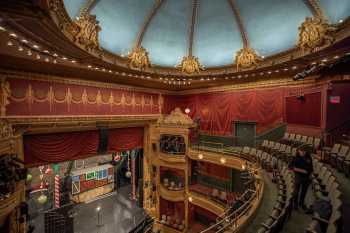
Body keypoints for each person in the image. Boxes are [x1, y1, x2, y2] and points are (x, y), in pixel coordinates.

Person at [289, 146, 313, 211]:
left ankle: (301, 203)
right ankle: (295, 205)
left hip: (306, 178)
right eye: (301, 151)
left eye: (304, 151)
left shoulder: (308, 158)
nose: (303, 152)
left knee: (303, 192)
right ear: (298, 151)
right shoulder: (296, 158)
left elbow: (311, 168)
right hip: (298, 177)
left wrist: (310, 175)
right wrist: (300, 170)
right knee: (296, 192)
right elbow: (290, 166)